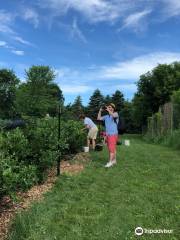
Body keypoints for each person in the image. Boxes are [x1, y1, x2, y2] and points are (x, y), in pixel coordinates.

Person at [97, 103, 119, 168]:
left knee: (111, 148)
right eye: (108, 107)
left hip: (113, 134)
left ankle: (110, 162)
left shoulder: (116, 114)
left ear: (113, 108)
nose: (109, 108)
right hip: (108, 134)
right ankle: (114, 160)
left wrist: (108, 110)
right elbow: (98, 118)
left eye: (110, 107)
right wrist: (100, 111)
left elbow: (113, 115)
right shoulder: (106, 116)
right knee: (113, 148)